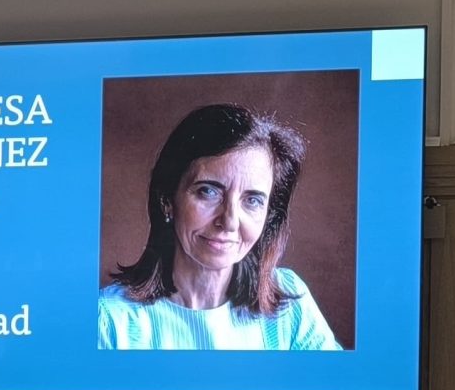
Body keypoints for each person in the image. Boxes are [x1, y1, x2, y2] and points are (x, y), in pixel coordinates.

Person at [98, 103, 342, 351]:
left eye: (252, 200)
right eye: (208, 191)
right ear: (167, 200)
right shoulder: (109, 321)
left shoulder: (290, 302)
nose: (229, 221)